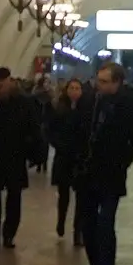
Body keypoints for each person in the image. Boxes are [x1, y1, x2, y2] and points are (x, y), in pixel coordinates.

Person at [73, 61, 133, 265]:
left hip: (111, 176)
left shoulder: (130, 105)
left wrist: (121, 162)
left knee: (105, 227)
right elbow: (76, 132)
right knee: (88, 228)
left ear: (117, 82)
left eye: (104, 82)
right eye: (98, 80)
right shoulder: (88, 102)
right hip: (86, 175)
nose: (98, 85)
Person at [0, 67, 43, 250]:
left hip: (16, 158)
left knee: (14, 199)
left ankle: (9, 235)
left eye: (2, 84)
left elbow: (34, 130)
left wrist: (35, 155)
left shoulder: (25, 104)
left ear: (10, 81)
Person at [47, 77, 86, 245]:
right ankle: (61, 221)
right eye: (72, 88)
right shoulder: (58, 109)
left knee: (81, 197)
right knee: (63, 194)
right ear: (67, 90)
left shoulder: (87, 110)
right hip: (63, 157)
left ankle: (78, 232)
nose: (75, 91)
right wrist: (59, 145)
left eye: (78, 88)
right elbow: (50, 131)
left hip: (80, 159)